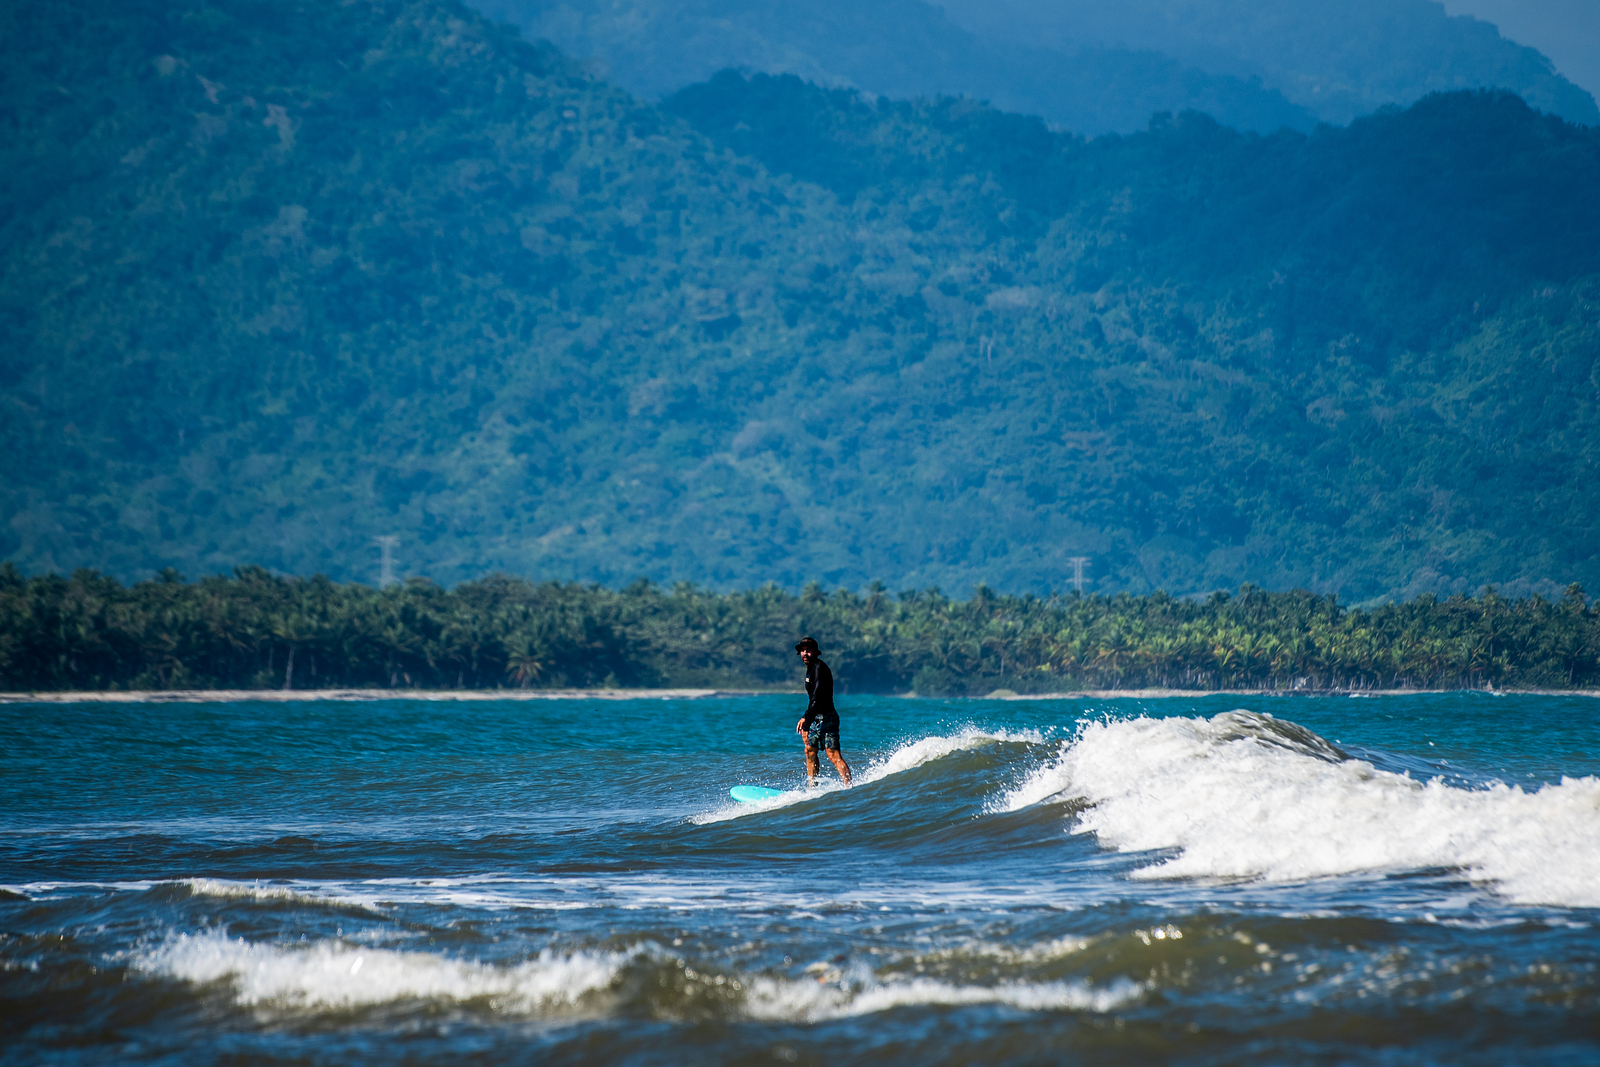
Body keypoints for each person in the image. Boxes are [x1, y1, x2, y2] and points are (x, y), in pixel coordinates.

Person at [794, 637, 852, 786]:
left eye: (808, 650)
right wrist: (806, 718)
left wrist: (806, 723)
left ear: (815, 652)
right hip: (815, 717)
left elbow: (817, 698)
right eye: (802, 651)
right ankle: (812, 788)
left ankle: (849, 787)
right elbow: (812, 699)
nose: (805, 653)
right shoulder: (810, 669)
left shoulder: (819, 668)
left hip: (828, 718)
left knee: (833, 754)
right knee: (810, 751)